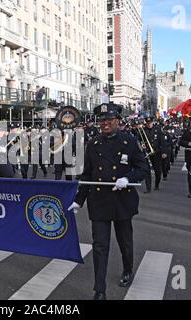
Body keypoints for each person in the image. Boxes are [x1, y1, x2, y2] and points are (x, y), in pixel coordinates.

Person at [68, 103, 149, 300]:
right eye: (102, 120)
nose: (105, 123)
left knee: (125, 242)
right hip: (100, 202)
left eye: (109, 120)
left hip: (122, 201)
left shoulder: (129, 141)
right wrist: (79, 200)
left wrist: (128, 179)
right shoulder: (93, 144)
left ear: (118, 121)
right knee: (100, 247)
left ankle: (128, 269)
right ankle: (100, 290)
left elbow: (143, 167)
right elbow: (87, 175)